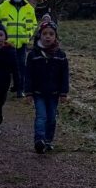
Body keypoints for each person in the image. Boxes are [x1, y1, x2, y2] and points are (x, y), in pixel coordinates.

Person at [24, 21, 69, 153]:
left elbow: (64, 75)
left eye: (51, 34)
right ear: (39, 36)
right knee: (41, 116)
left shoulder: (61, 56)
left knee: (51, 118)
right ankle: (39, 140)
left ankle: (48, 140)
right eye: (44, 34)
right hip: (39, 93)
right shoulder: (33, 55)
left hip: (54, 93)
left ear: (56, 36)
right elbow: (28, 74)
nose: (47, 36)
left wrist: (64, 93)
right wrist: (28, 92)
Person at [0, 0, 37, 98]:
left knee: (21, 67)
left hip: (21, 43)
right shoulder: (3, 6)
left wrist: (28, 35)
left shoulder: (29, 8)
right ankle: (2, 88)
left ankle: (20, 89)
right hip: (6, 44)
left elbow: (34, 25)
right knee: (5, 68)